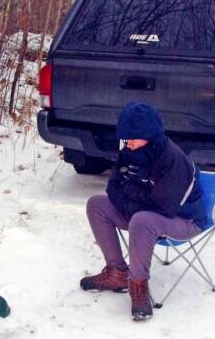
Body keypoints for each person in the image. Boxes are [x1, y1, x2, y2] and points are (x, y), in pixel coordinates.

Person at [80, 101, 206, 321]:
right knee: (97, 204)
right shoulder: (129, 151)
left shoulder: (172, 159)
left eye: (131, 138)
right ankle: (118, 273)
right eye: (124, 138)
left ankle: (138, 286)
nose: (127, 143)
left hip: (183, 219)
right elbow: (113, 187)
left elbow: (163, 206)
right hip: (141, 213)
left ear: (148, 134)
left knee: (142, 220)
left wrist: (129, 195)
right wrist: (131, 199)